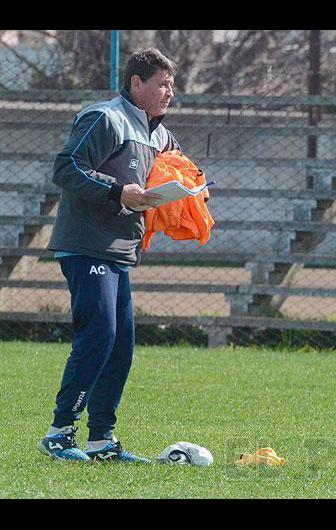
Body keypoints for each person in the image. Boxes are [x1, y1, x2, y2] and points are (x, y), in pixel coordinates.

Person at [38, 48, 181, 462]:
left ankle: (101, 440)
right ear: (137, 84)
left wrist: (192, 192)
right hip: (86, 244)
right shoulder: (105, 117)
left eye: (172, 85)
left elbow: (180, 169)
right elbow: (67, 168)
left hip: (120, 249)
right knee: (100, 332)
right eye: (162, 84)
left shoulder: (160, 134)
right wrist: (119, 191)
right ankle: (60, 433)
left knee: (121, 344)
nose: (169, 92)